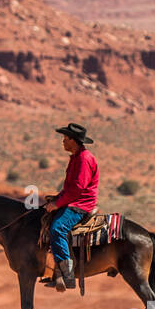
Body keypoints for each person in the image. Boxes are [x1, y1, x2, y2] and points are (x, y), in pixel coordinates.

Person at [44, 122, 99, 291]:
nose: (63, 141)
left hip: (80, 204)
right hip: (73, 200)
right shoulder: (76, 157)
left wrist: (58, 203)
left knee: (58, 228)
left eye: (65, 138)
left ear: (73, 140)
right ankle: (56, 273)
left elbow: (77, 189)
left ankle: (67, 276)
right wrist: (57, 198)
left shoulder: (84, 159)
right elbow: (69, 188)